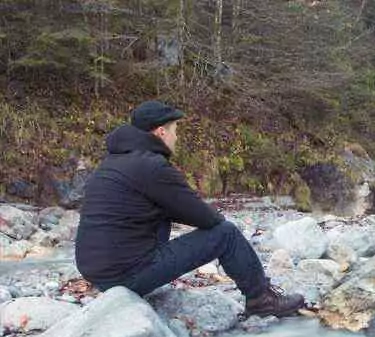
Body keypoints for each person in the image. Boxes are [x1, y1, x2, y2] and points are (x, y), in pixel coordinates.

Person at [75, 100, 304, 318]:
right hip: (127, 275)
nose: (177, 136)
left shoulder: (112, 163)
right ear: (160, 132)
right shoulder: (151, 166)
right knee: (226, 234)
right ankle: (261, 299)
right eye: (175, 130)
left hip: (99, 274)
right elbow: (207, 219)